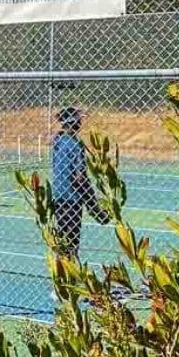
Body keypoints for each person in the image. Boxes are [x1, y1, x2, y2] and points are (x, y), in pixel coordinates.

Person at [50, 107, 108, 260]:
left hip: (58, 196)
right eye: (79, 120)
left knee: (61, 238)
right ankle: (73, 272)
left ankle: (60, 272)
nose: (81, 122)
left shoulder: (58, 141)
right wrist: (92, 203)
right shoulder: (76, 145)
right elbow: (79, 178)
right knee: (73, 242)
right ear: (74, 122)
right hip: (72, 199)